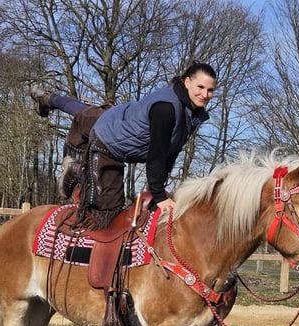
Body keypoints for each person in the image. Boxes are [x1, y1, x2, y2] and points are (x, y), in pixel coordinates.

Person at [31, 62, 217, 229]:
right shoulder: (166, 109)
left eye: (210, 90)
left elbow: (172, 150)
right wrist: (159, 196)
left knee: (83, 111)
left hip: (116, 116)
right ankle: (77, 169)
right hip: (109, 142)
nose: (205, 94)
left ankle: (47, 98)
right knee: (105, 215)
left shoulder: (190, 113)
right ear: (186, 82)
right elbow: (157, 155)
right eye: (200, 87)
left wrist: (155, 189)